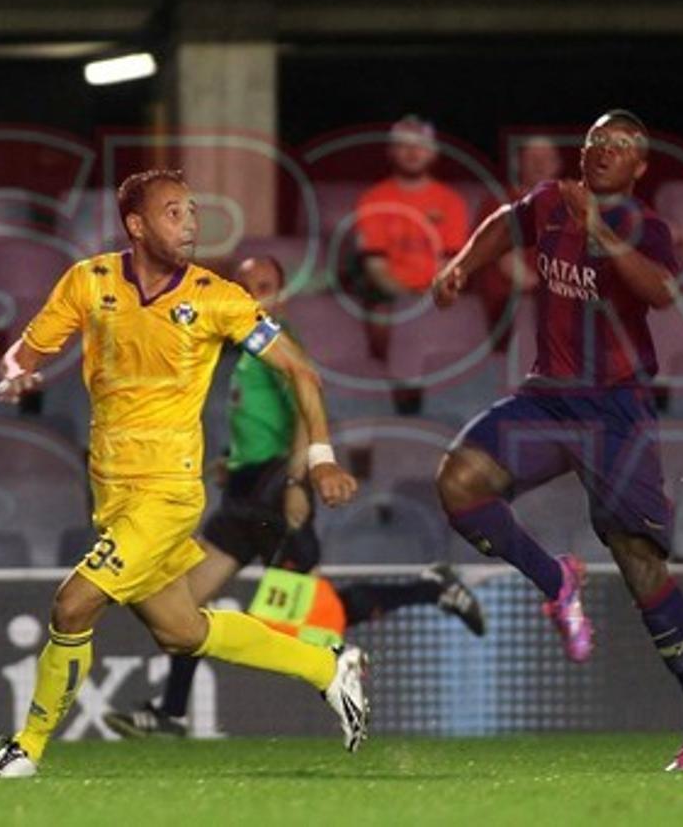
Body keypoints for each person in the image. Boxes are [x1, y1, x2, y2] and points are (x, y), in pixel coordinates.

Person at [0, 170, 369, 779]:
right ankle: (325, 666)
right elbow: (24, 351)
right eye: (174, 212)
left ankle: (27, 748)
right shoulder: (90, 280)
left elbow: (302, 372)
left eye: (192, 211)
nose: (189, 224)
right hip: (111, 490)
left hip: (169, 491)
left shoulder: (217, 297)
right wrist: (13, 373)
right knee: (181, 633)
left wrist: (320, 458)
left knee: (73, 606)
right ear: (137, 225)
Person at [430, 110, 683, 773]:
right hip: (548, 398)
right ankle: (556, 578)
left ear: (639, 167)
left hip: (614, 413)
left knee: (639, 562)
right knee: (457, 483)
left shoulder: (645, 226)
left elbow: (659, 290)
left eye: (620, 145)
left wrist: (599, 229)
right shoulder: (549, 203)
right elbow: (503, 224)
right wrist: (460, 264)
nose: (604, 150)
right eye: (597, 139)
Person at [103, 253, 485, 739]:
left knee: (305, 616)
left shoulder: (276, 344)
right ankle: (171, 712)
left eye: (265, 285)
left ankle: (431, 588)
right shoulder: (243, 350)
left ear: (281, 295)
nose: (255, 294)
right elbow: (262, 423)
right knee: (184, 607)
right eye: (246, 287)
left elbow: (310, 410)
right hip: (243, 498)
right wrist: (232, 462)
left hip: (275, 494)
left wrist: (295, 484)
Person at [350, 115, 469, 413]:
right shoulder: (373, 198)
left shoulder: (451, 201)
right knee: (394, 314)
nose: (412, 152)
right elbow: (374, 267)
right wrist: (408, 297)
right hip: (389, 295)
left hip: (437, 293)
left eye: (420, 145)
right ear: (391, 151)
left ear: (433, 152)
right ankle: (402, 405)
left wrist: (429, 296)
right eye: (404, 145)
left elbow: (450, 261)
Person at [471, 137, 564, 350]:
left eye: (546, 158)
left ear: (558, 165)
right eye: (532, 158)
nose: (539, 164)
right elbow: (507, 262)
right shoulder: (499, 202)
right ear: (518, 163)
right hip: (510, 303)